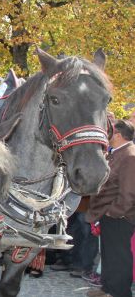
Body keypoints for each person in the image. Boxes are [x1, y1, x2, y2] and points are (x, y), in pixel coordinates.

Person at [86, 119, 135, 297]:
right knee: (108, 255)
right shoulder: (118, 153)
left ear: (119, 135)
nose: (106, 135)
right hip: (109, 214)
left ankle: (120, 293)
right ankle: (107, 289)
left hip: (120, 217)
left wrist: (113, 212)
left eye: (110, 132)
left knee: (119, 257)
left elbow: (129, 192)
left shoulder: (130, 156)